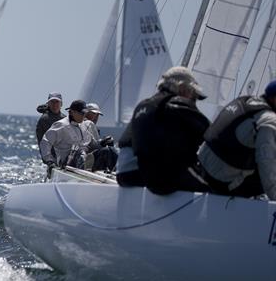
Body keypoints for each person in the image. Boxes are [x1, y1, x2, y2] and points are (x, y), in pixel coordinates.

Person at [116, 66, 209, 194]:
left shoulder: (144, 104)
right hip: (149, 177)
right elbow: (211, 133)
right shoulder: (175, 105)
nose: (193, 101)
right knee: (212, 185)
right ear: (183, 89)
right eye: (193, 95)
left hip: (123, 174)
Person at [196, 80, 276, 200]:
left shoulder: (245, 100)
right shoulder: (269, 120)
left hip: (202, 166)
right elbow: (266, 160)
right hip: (221, 181)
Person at [39, 99, 100, 174]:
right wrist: (49, 161)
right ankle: (84, 176)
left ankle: (111, 177)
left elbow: (92, 144)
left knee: (107, 151)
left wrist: (102, 144)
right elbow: (46, 142)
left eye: (85, 113)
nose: (84, 116)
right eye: (82, 113)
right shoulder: (61, 125)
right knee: (80, 153)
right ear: (72, 112)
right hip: (66, 164)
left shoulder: (84, 125)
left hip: (84, 158)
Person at [83, 102, 117, 172]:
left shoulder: (94, 127)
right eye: (93, 114)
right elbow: (90, 144)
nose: (96, 117)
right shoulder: (86, 124)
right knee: (107, 151)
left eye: (98, 115)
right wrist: (102, 142)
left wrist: (105, 142)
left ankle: (115, 171)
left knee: (111, 149)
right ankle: (117, 172)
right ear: (86, 113)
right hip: (86, 158)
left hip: (92, 156)